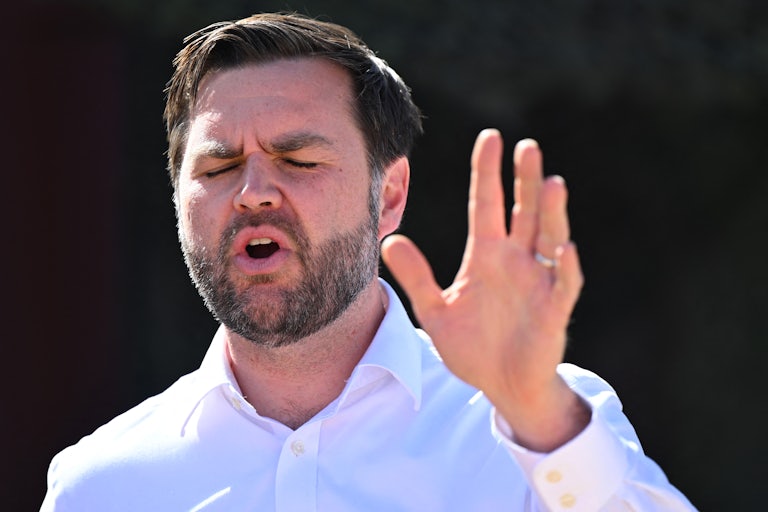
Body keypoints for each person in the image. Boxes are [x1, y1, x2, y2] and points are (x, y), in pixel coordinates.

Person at [41, 12, 696, 511]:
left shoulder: (546, 426)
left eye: (299, 160)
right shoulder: (97, 485)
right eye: (218, 166)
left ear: (389, 196)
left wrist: (537, 414)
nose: (254, 191)